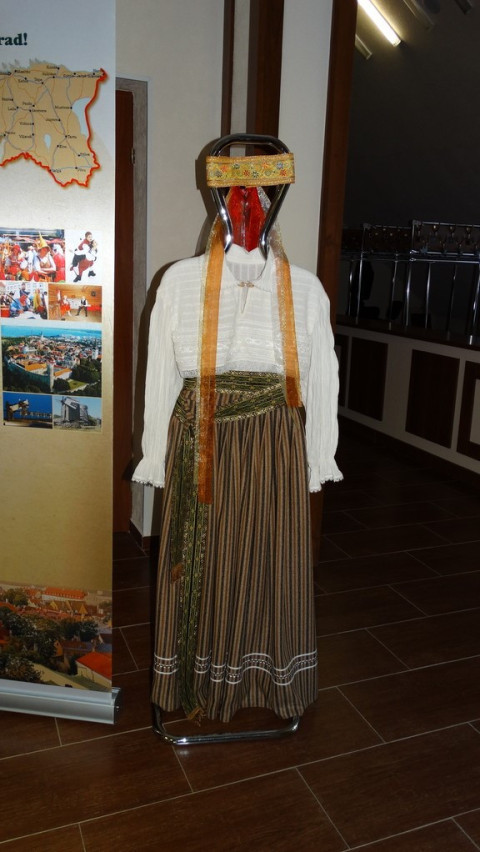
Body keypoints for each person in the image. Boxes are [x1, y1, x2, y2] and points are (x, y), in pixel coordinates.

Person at [133, 152, 342, 726]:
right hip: (201, 438)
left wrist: (318, 453)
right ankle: (195, 677)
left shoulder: (306, 289)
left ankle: (265, 678)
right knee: (206, 565)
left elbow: (323, 376)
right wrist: (155, 453)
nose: (247, 216)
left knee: (269, 560)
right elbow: (160, 373)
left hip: (274, 442)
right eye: (237, 203)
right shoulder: (180, 281)